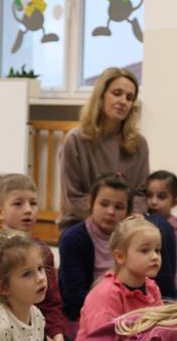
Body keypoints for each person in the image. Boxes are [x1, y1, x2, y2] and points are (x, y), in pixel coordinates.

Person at [0, 174, 71, 341]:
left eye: (33, 203)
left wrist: (55, 335)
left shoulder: (43, 250)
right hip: (2, 331)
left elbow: (51, 302)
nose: (28, 210)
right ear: (0, 212)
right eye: (18, 204)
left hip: (36, 327)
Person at [58, 66, 150, 230]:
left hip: (125, 222)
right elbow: (73, 197)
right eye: (117, 93)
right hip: (82, 221)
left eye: (129, 98)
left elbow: (140, 194)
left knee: (163, 228)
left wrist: (131, 216)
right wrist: (108, 216)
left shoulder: (139, 144)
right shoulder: (75, 140)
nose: (123, 101)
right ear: (101, 96)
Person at [58, 175, 132, 328]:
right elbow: (74, 297)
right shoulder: (72, 238)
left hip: (125, 313)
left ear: (128, 212)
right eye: (104, 204)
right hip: (83, 315)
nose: (111, 212)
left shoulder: (131, 240)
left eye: (119, 207)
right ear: (90, 202)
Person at [78, 216, 163, 340]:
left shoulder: (151, 287)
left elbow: (160, 329)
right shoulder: (106, 295)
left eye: (157, 250)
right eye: (145, 250)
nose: (155, 256)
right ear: (120, 257)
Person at [145, 170, 177, 291]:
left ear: (175, 202)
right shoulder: (143, 225)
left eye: (161, 197)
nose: (153, 202)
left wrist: (167, 291)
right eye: (149, 195)